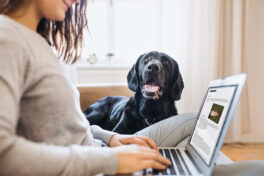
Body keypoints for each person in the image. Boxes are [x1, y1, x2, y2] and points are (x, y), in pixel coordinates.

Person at [0, 0, 264, 176]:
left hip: (102, 151)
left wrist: (110, 138)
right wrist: (113, 159)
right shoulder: (7, 37)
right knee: (247, 164)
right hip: (99, 165)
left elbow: (66, 129)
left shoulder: (38, 44)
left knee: (200, 145)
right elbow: (4, 154)